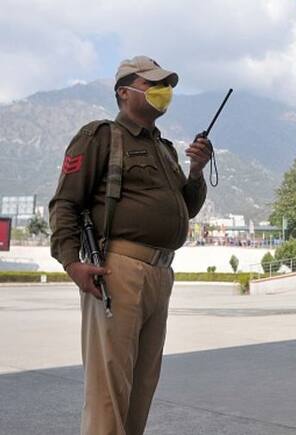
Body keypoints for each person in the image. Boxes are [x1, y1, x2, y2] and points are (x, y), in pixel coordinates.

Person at [49, 56, 212, 435]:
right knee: (110, 389)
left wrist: (196, 172)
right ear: (124, 92)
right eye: (152, 84)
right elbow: (65, 203)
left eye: (166, 85)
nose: (163, 91)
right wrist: (72, 264)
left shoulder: (165, 148)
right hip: (118, 269)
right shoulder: (101, 136)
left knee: (141, 387)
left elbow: (185, 208)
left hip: (159, 274)